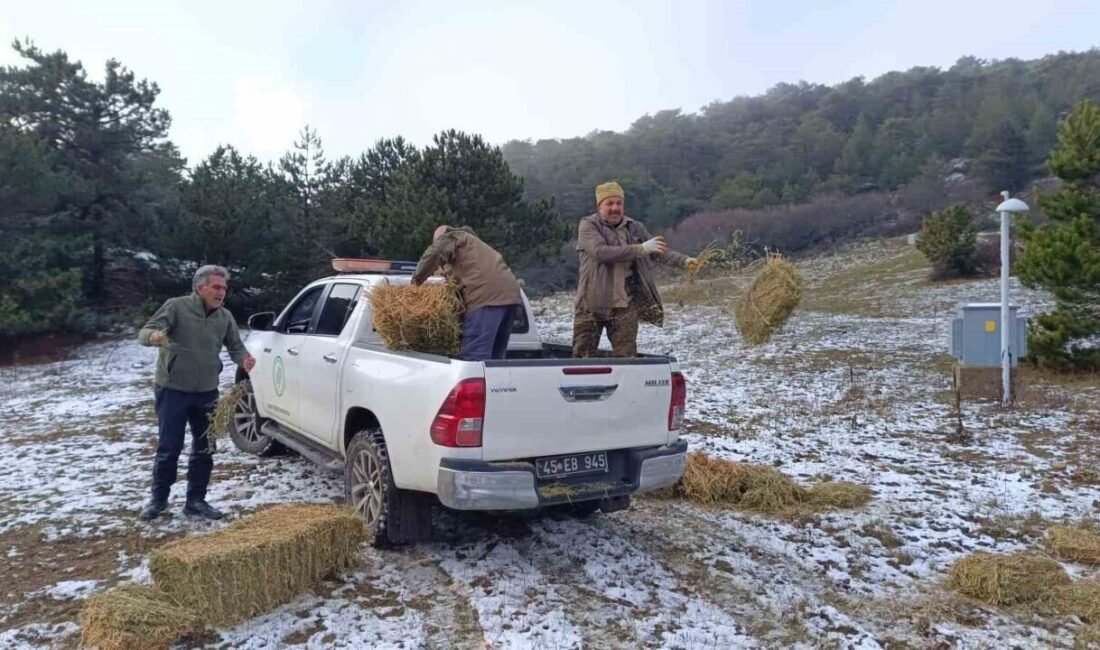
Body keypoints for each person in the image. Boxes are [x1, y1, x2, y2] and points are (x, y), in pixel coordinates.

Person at [137, 265, 255, 521]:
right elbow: (144, 332)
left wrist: (244, 359)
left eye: (224, 288)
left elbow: (236, 346)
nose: (222, 292)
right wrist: (154, 336)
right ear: (200, 288)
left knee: (205, 448)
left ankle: (196, 501)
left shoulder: (224, 317)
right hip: (173, 390)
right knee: (170, 448)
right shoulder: (177, 307)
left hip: (206, 392)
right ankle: (158, 501)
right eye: (216, 287)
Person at [573, 181, 700, 358]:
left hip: (624, 304)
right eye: (609, 203)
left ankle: (625, 386)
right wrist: (641, 249)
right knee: (583, 357)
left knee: (627, 358)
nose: (615, 208)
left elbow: (658, 250)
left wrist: (684, 261)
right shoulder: (588, 226)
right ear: (599, 206)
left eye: (619, 203)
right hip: (590, 303)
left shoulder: (634, 227)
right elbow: (600, 252)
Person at [411, 225, 523, 361]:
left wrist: (416, 281)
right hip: (511, 298)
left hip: (485, 298)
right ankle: (496, 382)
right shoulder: (476, 247)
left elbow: (435, 253)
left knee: (475, 355)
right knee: (496, 356)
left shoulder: (453, 237)